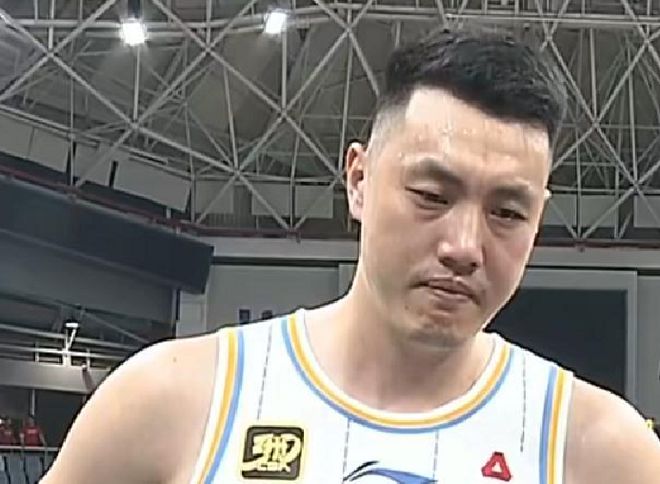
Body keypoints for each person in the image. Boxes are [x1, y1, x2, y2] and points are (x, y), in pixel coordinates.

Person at [42, 25, 660, 484]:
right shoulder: (170, 401)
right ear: (359, 180)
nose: (464, 247)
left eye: (507, 213)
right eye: (431, 196)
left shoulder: (603, 452)